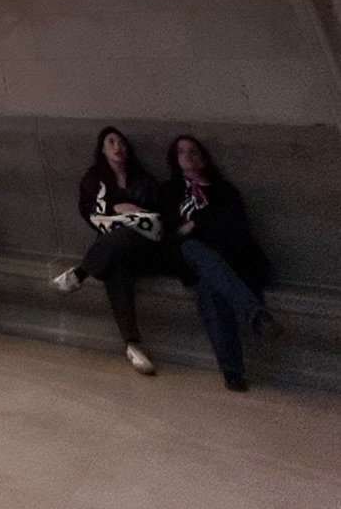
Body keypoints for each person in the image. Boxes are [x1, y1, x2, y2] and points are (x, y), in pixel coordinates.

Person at [159, 134, 278, 391]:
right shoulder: (170, 191)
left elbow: (235, 226)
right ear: (175, 159)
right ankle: (255, 313)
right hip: (191, 255)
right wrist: (194, 229)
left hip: (228, 257)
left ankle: (233, 372)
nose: (188, 155)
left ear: (204, 159)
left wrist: (196, 224)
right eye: (181, 151)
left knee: (211, 287)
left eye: (193, 150)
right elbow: (170, 232)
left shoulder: (224, 191)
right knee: (193, 248)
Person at [51, 126, 169, 374]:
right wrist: (116, 208)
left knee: (127, 234)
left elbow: (160, 211)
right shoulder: (95, 180)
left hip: (146, 245)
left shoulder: (143, 179)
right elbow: (89, 211)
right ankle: (132, 345)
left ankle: (80, 273)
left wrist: (137, 211)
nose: (118, 147)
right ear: (102, 150)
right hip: (113, 247)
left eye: (121, 142)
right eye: (111, 142)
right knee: (116, 265)